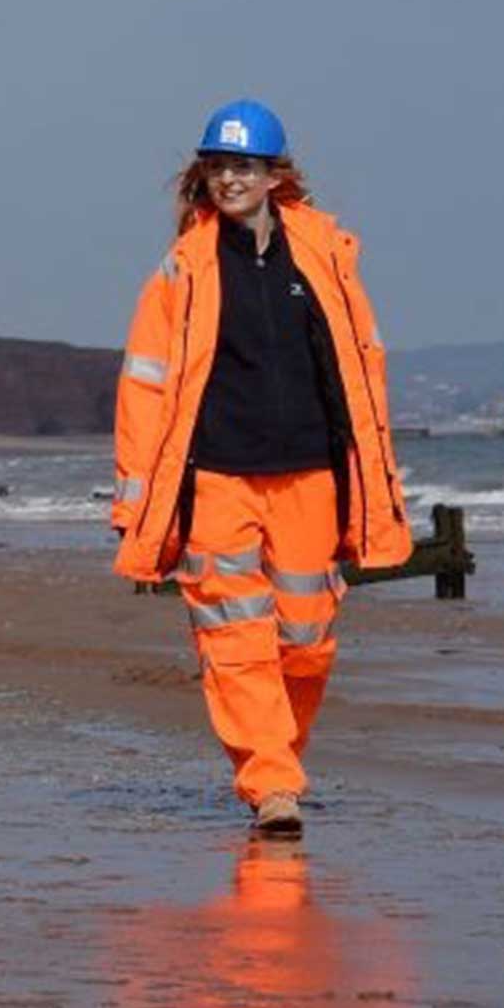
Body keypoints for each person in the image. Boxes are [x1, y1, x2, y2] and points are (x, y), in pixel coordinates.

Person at [112, 99, 409, 838]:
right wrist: (138, 504)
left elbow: (363, 375)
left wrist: (375, 482)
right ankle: (272, 784)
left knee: (305, 642)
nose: (229, 179)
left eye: (243, 166)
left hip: (310, 475)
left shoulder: (327, 257)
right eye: (218, 166)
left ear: (276, 174)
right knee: (234, 638)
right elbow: (144, 388)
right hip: (217, 478)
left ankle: (276, 758)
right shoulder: (182, 269)